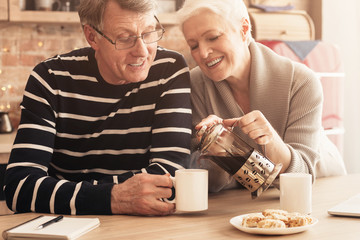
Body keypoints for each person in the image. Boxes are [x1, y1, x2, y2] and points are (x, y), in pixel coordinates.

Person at [4, 0, 192, 216]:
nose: (142, 51)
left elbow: (169, 176)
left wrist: (70, 192)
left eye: (149, 33)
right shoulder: (51, 79)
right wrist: (112, 197)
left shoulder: (169, 69)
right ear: (92, 37)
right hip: (66, 229)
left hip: (145, 228)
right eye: (124, 38)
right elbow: (20, 188)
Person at [176, 0, 346, 192]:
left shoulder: (301, 81)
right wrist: (216, 149)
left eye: (213, 37)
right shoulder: (194, 85)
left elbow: (302, 176)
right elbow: (207, 181)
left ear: (243, 29)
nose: (204, 53)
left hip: (323, 190)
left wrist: (270, 141)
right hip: (245, 202)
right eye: (194, 46)